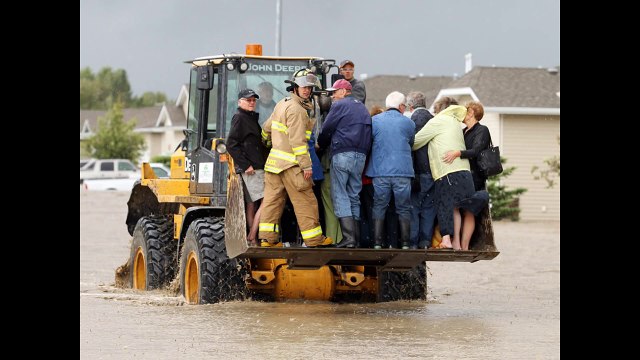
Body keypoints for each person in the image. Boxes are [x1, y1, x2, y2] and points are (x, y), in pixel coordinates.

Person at [258, 69, 333, 247]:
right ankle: (314, 240)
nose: (307, 90)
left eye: (309, 87)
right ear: (294, 87)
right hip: (292, 165)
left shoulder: (281, 104)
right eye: (303, 87)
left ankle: (268, 240)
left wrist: (269, 142)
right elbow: (299, 142)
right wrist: (307, 167)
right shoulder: (297, 110)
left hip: (274, 165)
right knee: (305, 201)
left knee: (272, 202)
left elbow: (266, 128)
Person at [412, 98, 480, 250]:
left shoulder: (439, 120)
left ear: (439, 109)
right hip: (465, 172)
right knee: (458, 208)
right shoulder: (455, 123)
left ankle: (447, 240)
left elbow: (416, 142)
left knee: (444, 206)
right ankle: (458, 244)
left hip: (447, 172)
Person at [318, 79, 372, 248]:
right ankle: (354, 239)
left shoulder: (340, 105)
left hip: (342, 154)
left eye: (334, 92)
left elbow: (327, 129)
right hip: (360, 157)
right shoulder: (363, 108)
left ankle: (348, 238)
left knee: (340, 194)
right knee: (353, 195)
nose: (332, 96)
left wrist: (321, 144)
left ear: (343, 91)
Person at [365, 91, 415, 249]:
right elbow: (411, 142)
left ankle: (377, 243)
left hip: (380, 172)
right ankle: (405, 244)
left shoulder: (374, 121)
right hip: (402, 172)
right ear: (401, 106)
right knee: (403, 207)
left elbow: (369, 142)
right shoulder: (408, 123)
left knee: (379, 206)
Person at [442, 101, 491, 250]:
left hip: (475, 176)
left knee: (470, 210)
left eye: (466, 111)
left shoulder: (482, 130)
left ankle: (465, 246)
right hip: (463, 175)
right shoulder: (463, 131)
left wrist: (458, 153)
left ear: (471, 113)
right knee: (456, 206)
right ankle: (457, 242)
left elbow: (476, 151)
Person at [226, 89, 268, 246]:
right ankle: (252, 235)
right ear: (240, 102)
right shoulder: (240, 118)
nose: (251, 102)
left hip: (253, 167)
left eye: (253, 100)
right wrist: (246, 165)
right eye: (248, 100)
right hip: (253, 169)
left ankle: (253, 239)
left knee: (252, 204)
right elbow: (231, 144)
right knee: (268, 200)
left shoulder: (248, 118)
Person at [406, 91, 437, 249]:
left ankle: (413, 243)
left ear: (410, 106)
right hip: (434, 171)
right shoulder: (434, 120)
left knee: (414, 207)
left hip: (417, 171)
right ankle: (425, 242)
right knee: (429, 207)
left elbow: (412, 147)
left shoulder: (413, 121)